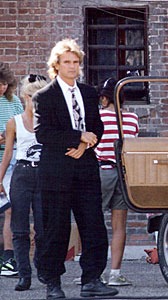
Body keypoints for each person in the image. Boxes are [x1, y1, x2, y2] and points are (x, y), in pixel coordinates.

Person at [33, 39, 118, 299]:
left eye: (76, 62)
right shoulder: (44, 96)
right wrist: (78, 138)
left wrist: (86, 144)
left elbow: (98, 128)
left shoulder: (89, 93)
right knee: (55, 228)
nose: (72, 67)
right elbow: (43, 133)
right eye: (66, 62)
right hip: (56, 171)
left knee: (93, 225)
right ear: (56, 66)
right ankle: (53, 283)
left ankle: (91, 279)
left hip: (86, 168)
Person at [0, 74, 48, 291]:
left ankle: (42, 267)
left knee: (43, 226)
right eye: (33, 98)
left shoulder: (49, 121)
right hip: (22, 173)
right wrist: (0, 179)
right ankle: (23, 273)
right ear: (25, 97)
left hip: (44, 174)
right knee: (19, 226)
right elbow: (8, 153)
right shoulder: (15, 122)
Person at [95, 78, 138, 286]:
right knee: (119, 225)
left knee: (92, 223)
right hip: (124, 174)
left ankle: (93, 272)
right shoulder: (132, 119)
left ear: (104, 98)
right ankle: (115, 273)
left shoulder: (96, 117)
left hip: (101, 171)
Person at [0, 62, 23, 277]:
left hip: (11, 163)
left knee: (10, 209)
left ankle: (8, 256)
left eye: (4, 84)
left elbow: (23, 128)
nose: (1, 88)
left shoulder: (15, 102)